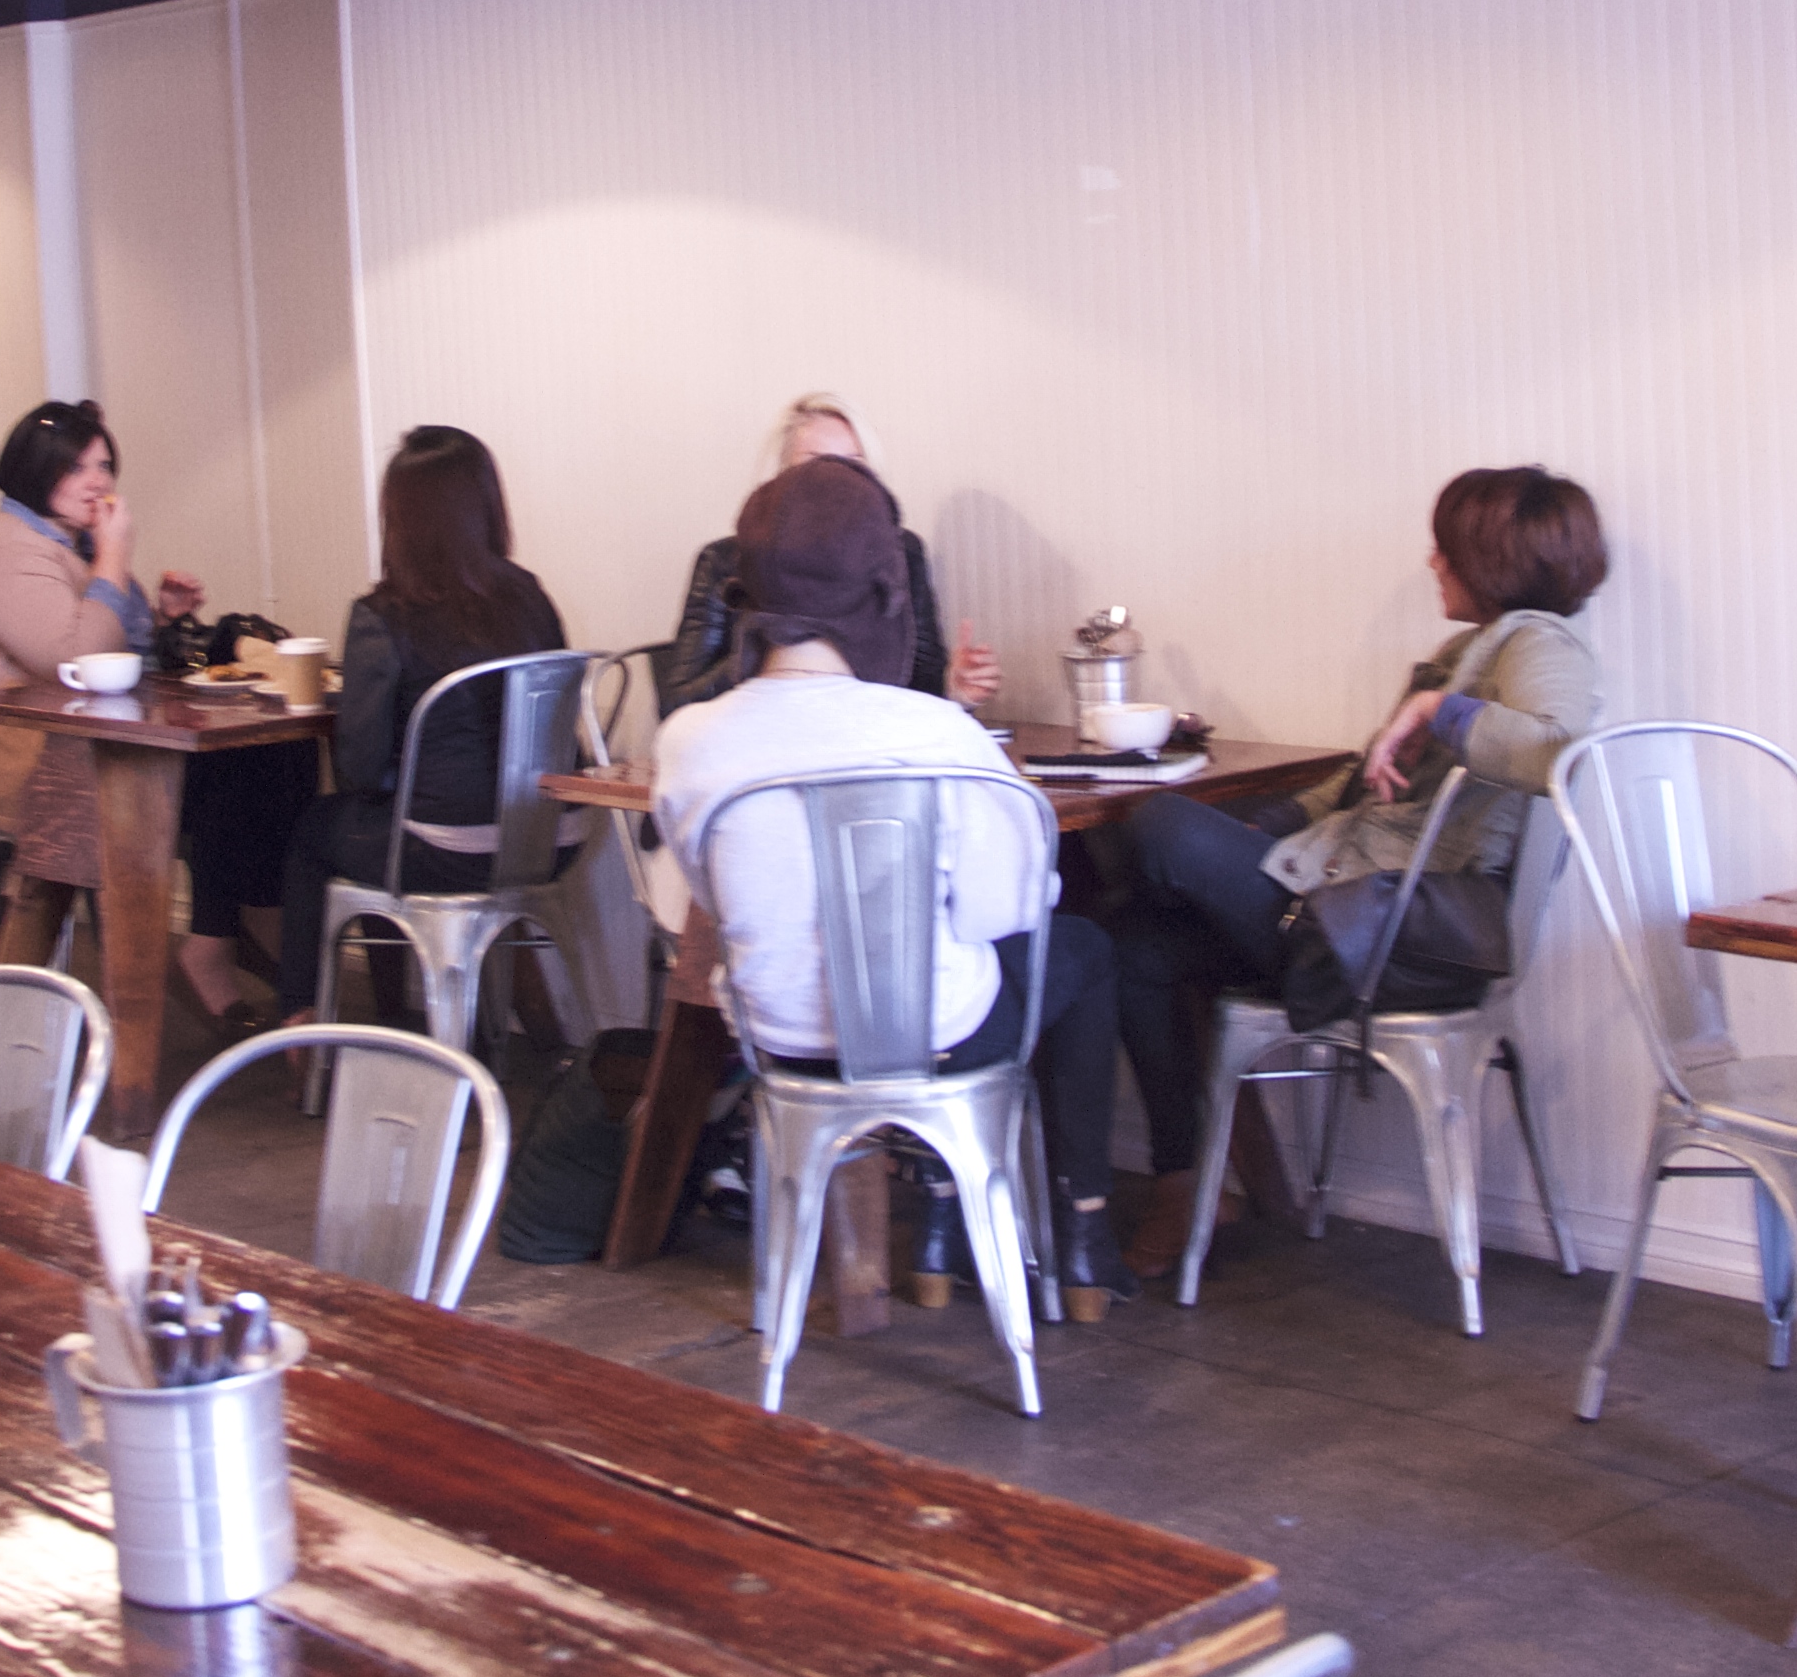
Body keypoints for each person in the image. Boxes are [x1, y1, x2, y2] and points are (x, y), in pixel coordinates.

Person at [1091, 465, 1610, 1274]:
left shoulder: (1540, 643)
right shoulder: (1469, 650)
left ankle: (1127, 1183)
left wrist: (1440, 709)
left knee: (1155, 828)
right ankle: (1183, 1181)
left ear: (1494, 558)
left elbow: (1556, 751)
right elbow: (1359, 784)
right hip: (1347, 909)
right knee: (1130, 943)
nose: (1433, 562)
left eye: (1446, 548)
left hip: (1388, 936)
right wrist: (1264, 830)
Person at [644, 457, 1128, 1315]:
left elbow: (705, 900)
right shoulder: (936, 731)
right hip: (943, 1041)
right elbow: (1008, 909)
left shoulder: (689, 739)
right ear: (882, 591)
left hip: (778, 1047)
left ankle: (940, 1218)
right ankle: (1082, 1238)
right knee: (1082, 950)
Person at [0, 398, 294, 1024]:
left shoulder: (64, 542)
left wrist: (161, 618)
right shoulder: (7, 550)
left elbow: (109, 651)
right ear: (33, 471)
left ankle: (224, 939)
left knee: (269, 756)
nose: (97, 482)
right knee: (234, 777)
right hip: (28, 759)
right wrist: (116, 556)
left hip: (88, 741)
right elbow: (76, 657)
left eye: (104, 467)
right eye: (76, 467)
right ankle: (233, 943)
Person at [278, 425, 573, 1021]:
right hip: (552, 840)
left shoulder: (382, 615)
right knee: (381, 822)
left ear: (400, 518)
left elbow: (360, 768)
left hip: (450, 852)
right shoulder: (530, 596)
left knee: (314, 829)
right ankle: (529, 1032)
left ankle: (302, 1029)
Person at [654, 393, 1000, 717]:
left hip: (867, 743)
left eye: (852, 465)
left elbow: (921, 685)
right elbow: (678, 704)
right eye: (817, 463)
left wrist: (951, 688)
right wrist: (768, 643)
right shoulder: (724, 560)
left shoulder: (902, 553)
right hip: (763, 739)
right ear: (781, 478)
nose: (836, 482)